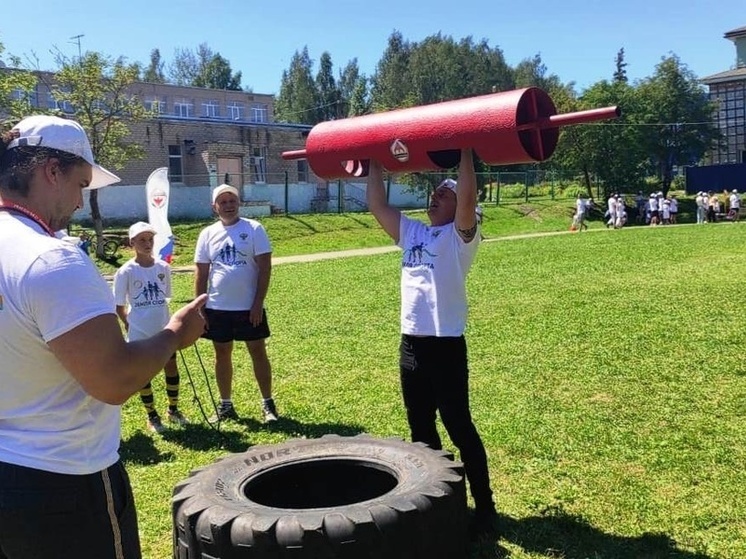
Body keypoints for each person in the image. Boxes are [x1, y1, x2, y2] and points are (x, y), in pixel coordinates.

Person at [0, 114, 206, 558]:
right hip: (68, 481)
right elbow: (113, 379)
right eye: (80, 183)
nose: (80, 201)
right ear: (51, 171)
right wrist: (175, 333)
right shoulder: (50, 259)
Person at [366, 149, 496, 538]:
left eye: (445, 192)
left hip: (445, 347)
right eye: (435, 192)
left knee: (460, 428)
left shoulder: (461, 238)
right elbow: (376, 203)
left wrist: (468, 152)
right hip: (411, 345)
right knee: (421, 429)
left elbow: (469, 197)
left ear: (460, 205)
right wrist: (373, 160)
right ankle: (438, 504)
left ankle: (485, 508)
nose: (435, 196)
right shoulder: (413, 232)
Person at [194, 184, 279, 423]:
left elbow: (265, 268)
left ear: (238, 203)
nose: (228, 205)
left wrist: (257, 303)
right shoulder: (207, 234)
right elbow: (201, 272)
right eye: (223, 202)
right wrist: (200, 307)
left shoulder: (254, 229)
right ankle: (226, 405)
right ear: (215, 207)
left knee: (258, 352)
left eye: (232, 200)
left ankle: (268, 404)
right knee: (221, 353)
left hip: (248, 308)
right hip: (217, 308)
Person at [113, 221, 189, 434]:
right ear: (132, 243)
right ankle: (152, 415)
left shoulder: (163, 267)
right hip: (140, 332)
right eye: (142, 240)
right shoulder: (126, 271)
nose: (147, 244)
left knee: (171, 367)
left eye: (150, 239)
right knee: (144, 374)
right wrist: (130, 324)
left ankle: (173, 409)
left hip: (163, 329)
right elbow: (119, 306)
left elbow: (165, 298)